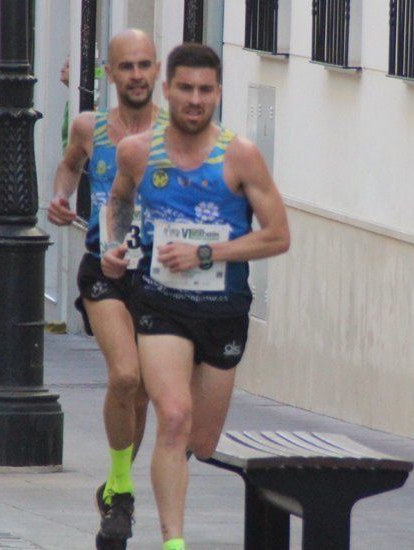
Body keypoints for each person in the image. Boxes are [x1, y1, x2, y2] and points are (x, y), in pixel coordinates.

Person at [102, 43, 290, 550]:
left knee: (200, 442)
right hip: (161, 304)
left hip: (223, 311)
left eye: (205, 90)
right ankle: (173, 542)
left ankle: (169, 472)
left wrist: (208, 253)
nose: (194, 99)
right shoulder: (138, 153)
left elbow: (278, 235)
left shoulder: (241, 156)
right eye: (185, 88)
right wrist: (114, 246)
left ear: (219, 94)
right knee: (175, 416)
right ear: (167, 91)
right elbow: (119, 200)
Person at [46, 28, 165, 545]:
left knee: (140, 394)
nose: (137, 75)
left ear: (156, 70)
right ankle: (121, 490)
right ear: (110, 73)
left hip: (160, 274)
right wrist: (60, 198)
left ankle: (116, 485)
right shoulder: (89, 127)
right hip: (104, 269)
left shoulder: (177, 131)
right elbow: (70, 166)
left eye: (145, 65)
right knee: (124, 376)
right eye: (127, 66)